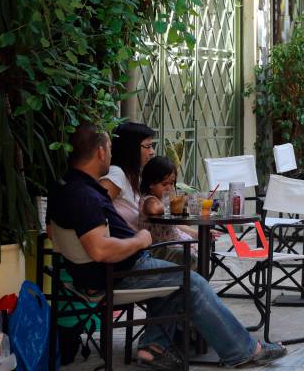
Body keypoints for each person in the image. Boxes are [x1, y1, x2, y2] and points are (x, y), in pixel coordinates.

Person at [47, 124, 286, 368]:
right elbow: (100, 250)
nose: (111, 154)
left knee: (174, 279)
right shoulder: (85, 195)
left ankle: (154, 347)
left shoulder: (63, 186)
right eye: (109, 148)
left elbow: (52, 233)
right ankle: (243, 350)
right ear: (99, 152)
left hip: (95, 273)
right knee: (191, 282)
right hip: (114, 274)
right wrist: (139, 239)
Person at [138, 156, 199, 266]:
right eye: (164, 184)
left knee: (204, 252)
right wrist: (173, 203)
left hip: (177, 245)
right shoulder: (149, 200)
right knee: (195, 260)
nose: (169, 188)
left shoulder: (159, 200)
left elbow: (175, 226)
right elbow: (153, 208)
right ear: (151, 184)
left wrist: (198, 234)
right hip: (162, 250)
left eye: (172, 184)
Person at [98, 121, 157, 231]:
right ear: (131, 148)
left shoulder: (134, 176)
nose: (152, 152)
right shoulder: (116, 174)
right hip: (128, 243)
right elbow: (96, 208)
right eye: (148, 146)